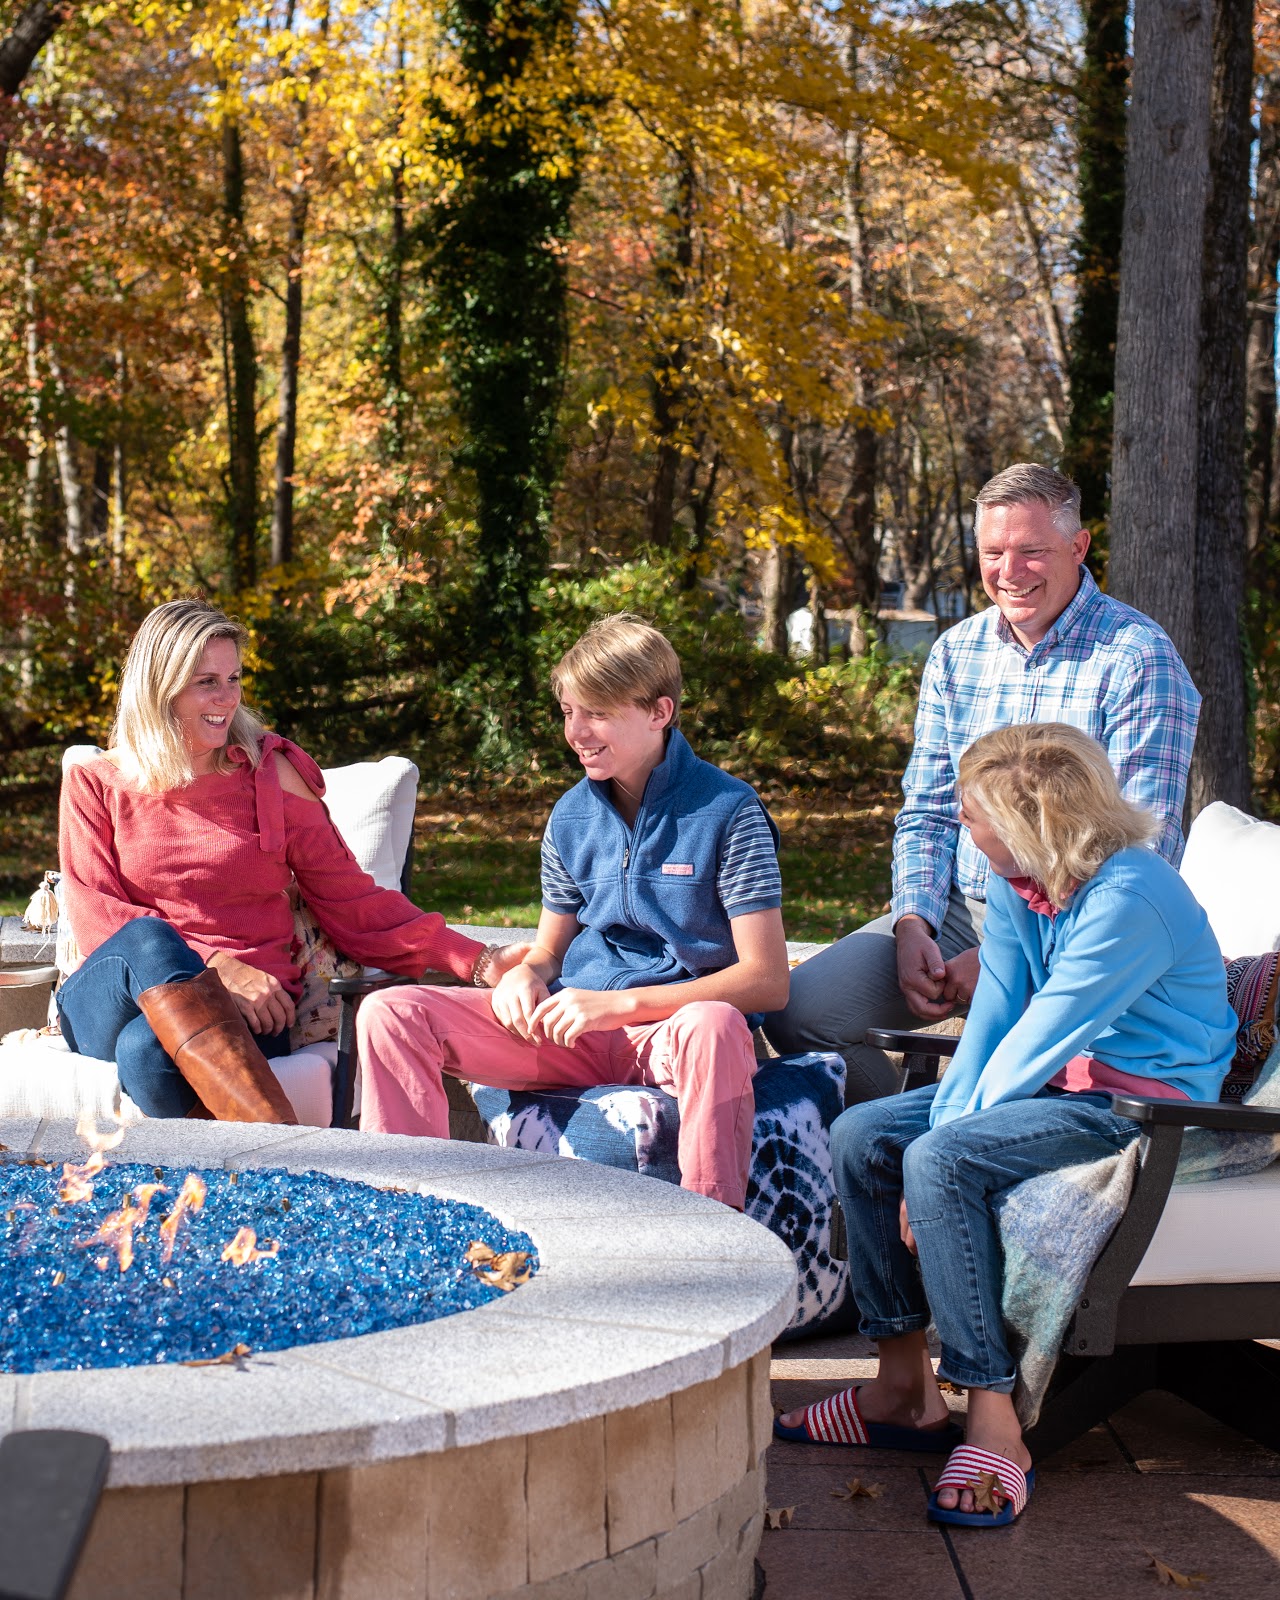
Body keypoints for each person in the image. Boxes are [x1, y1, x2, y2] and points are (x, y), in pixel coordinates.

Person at [775, 723, 1236, 1527]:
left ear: (1033, 824)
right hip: (1057, 1085)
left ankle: (994, 1418)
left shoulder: (1131, 897)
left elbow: (1042, 1034)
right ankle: (901, 1388)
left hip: (1141, 1108)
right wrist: (932, 1128)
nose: (962, 828)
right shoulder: (1027, 885)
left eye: (973, 815)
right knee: (863, 1134)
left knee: (940, 1160)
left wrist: (937, 1143)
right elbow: (993, 1017)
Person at [763, 462, 1201, 1103]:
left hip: (1079, 919)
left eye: (1032, 551)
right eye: (994, 552)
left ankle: (941, 1149)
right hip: (956, 912)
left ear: (1078, 548)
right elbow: (928, 810)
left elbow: (1145, 842)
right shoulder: (956, 652)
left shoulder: (1137, 657)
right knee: (801, 1014)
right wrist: (913, 920)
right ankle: (898, 1145)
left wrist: (1010, 957)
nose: (1010, 570)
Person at [357, 614, 790, 1209]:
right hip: (573, 1031)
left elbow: (767, 981)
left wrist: (622, 1005)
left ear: (660, 712)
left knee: (714, 1024)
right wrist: (525, 976)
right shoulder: (570, 818)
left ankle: (711, 1228)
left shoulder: (729, 812)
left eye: (598, 713)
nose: (577, 732)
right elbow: (548, 950)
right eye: (568, 712)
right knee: (391, 1011)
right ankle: (408, 1218)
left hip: (674, 1031)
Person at [57, 599, 526, 1123]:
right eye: (206, 681)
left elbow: (351, 899)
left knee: (147, 1051)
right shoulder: (95, 782)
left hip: (255, 1007)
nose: (227, 698)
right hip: (114, 997)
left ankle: (209, 1190)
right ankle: (284, 1154)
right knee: (149, 939)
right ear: (160, 688)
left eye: (234, 678)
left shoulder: (271, 774)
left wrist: (476, 959)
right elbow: (96, 916)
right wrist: (217, 968)